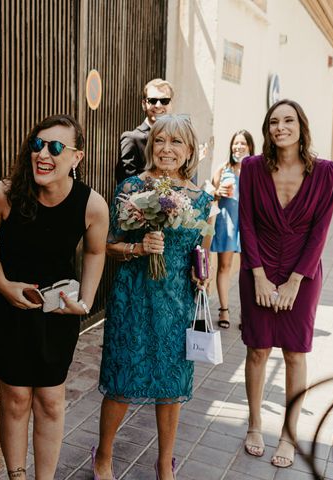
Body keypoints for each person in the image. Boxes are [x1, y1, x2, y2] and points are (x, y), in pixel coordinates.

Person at [0, 114, 108, 479]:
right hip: (9, 311)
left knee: (51, 401)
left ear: (76, 157)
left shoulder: (92, 205)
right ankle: (18, 475)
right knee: (16, 399)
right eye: (37, 144)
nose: (43, 154)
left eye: (55, 147)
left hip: (57, 314)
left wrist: (84, 301)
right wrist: (2, 282)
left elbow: (96, 252)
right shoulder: (4, 194)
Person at [94, 115, 213, 480]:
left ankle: (164, 462)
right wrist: (137, 247)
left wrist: (201, 273)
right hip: (133, 296)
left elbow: (202, 249)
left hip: (176, 301)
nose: (166, 149)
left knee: (171, 382)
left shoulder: (200, 199)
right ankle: (103, 455)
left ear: (189, 150)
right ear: (151, 145)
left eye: (176, 142)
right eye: (160, 140)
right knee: (121, 378)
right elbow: (107, 245)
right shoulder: (131, 188)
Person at [239, 99, 333, 469]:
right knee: (257, 350)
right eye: (274, 121)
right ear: (267, 129)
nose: (281, 127)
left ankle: (288, 433)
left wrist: (296, 280)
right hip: (258, 268)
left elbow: (320, 231)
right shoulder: (251, 168)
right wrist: (259, 275)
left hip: (302, 272)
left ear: (301, 126)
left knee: (295, 353)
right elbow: (245, 223)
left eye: (288, 120)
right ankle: (253, 424)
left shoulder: (326, 173)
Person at [211, 130, 255, 328]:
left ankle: (247, 314)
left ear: (250, 147)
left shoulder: (256, 171)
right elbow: (210, 197)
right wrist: (217, 192)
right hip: (227, 222)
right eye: (235, 143)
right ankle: (224, 311)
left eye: (242, 144)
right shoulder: (223, 168)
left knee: (248, 270)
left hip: (250, 226)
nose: (238, 147)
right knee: (224, 267)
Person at [116, 78, 174, 183]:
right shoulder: (131, 139)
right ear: (144, 104)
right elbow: (126, 184)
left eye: (164, 101)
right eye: (152, 100)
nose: (158, 105)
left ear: (171, 104)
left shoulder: (179, 139)